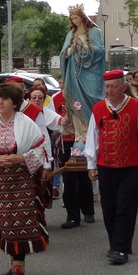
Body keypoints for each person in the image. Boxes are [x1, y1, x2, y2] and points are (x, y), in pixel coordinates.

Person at [0, 81, 48, 275]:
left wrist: (21, 158)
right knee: (5, 224)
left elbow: (40, 148)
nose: (0, 102)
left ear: (15, 103)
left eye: (5, 99)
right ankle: (14, 263)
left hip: (22, 180)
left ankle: (18, 268)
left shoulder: (26, 123)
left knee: (21, 224)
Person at [83, 69, 138, 265]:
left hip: (130, 167)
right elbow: (93, 137)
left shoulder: (137, 108)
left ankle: (121, 248)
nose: (109, 91)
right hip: (106, 166)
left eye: (114, 87)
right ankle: (114, 244)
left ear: (124, 87)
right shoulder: (98, 109)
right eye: (107, 87)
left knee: (125, 207)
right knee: (109, 208)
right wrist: (91, 163)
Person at [58, 5, 106, 145]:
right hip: (75, 73)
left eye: (77, 18)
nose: (75, 21)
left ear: (83, 17)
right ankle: (80, 135)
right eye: (72, 18)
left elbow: (100, 51)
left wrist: (83, 46)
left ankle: (95, 132)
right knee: (76, 101)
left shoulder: (95, 32)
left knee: (93, 97)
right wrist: (73, 48)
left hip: (91, 72)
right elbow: (63, 54)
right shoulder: (71, 34)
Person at [52, 86, 94, 228]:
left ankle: (88, 211)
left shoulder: (83, 96)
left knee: (83, 177)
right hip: (65, 143)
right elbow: (53, 120)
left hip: (81, 142)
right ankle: (72, 216)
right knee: (68, 180)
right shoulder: (56, 98)